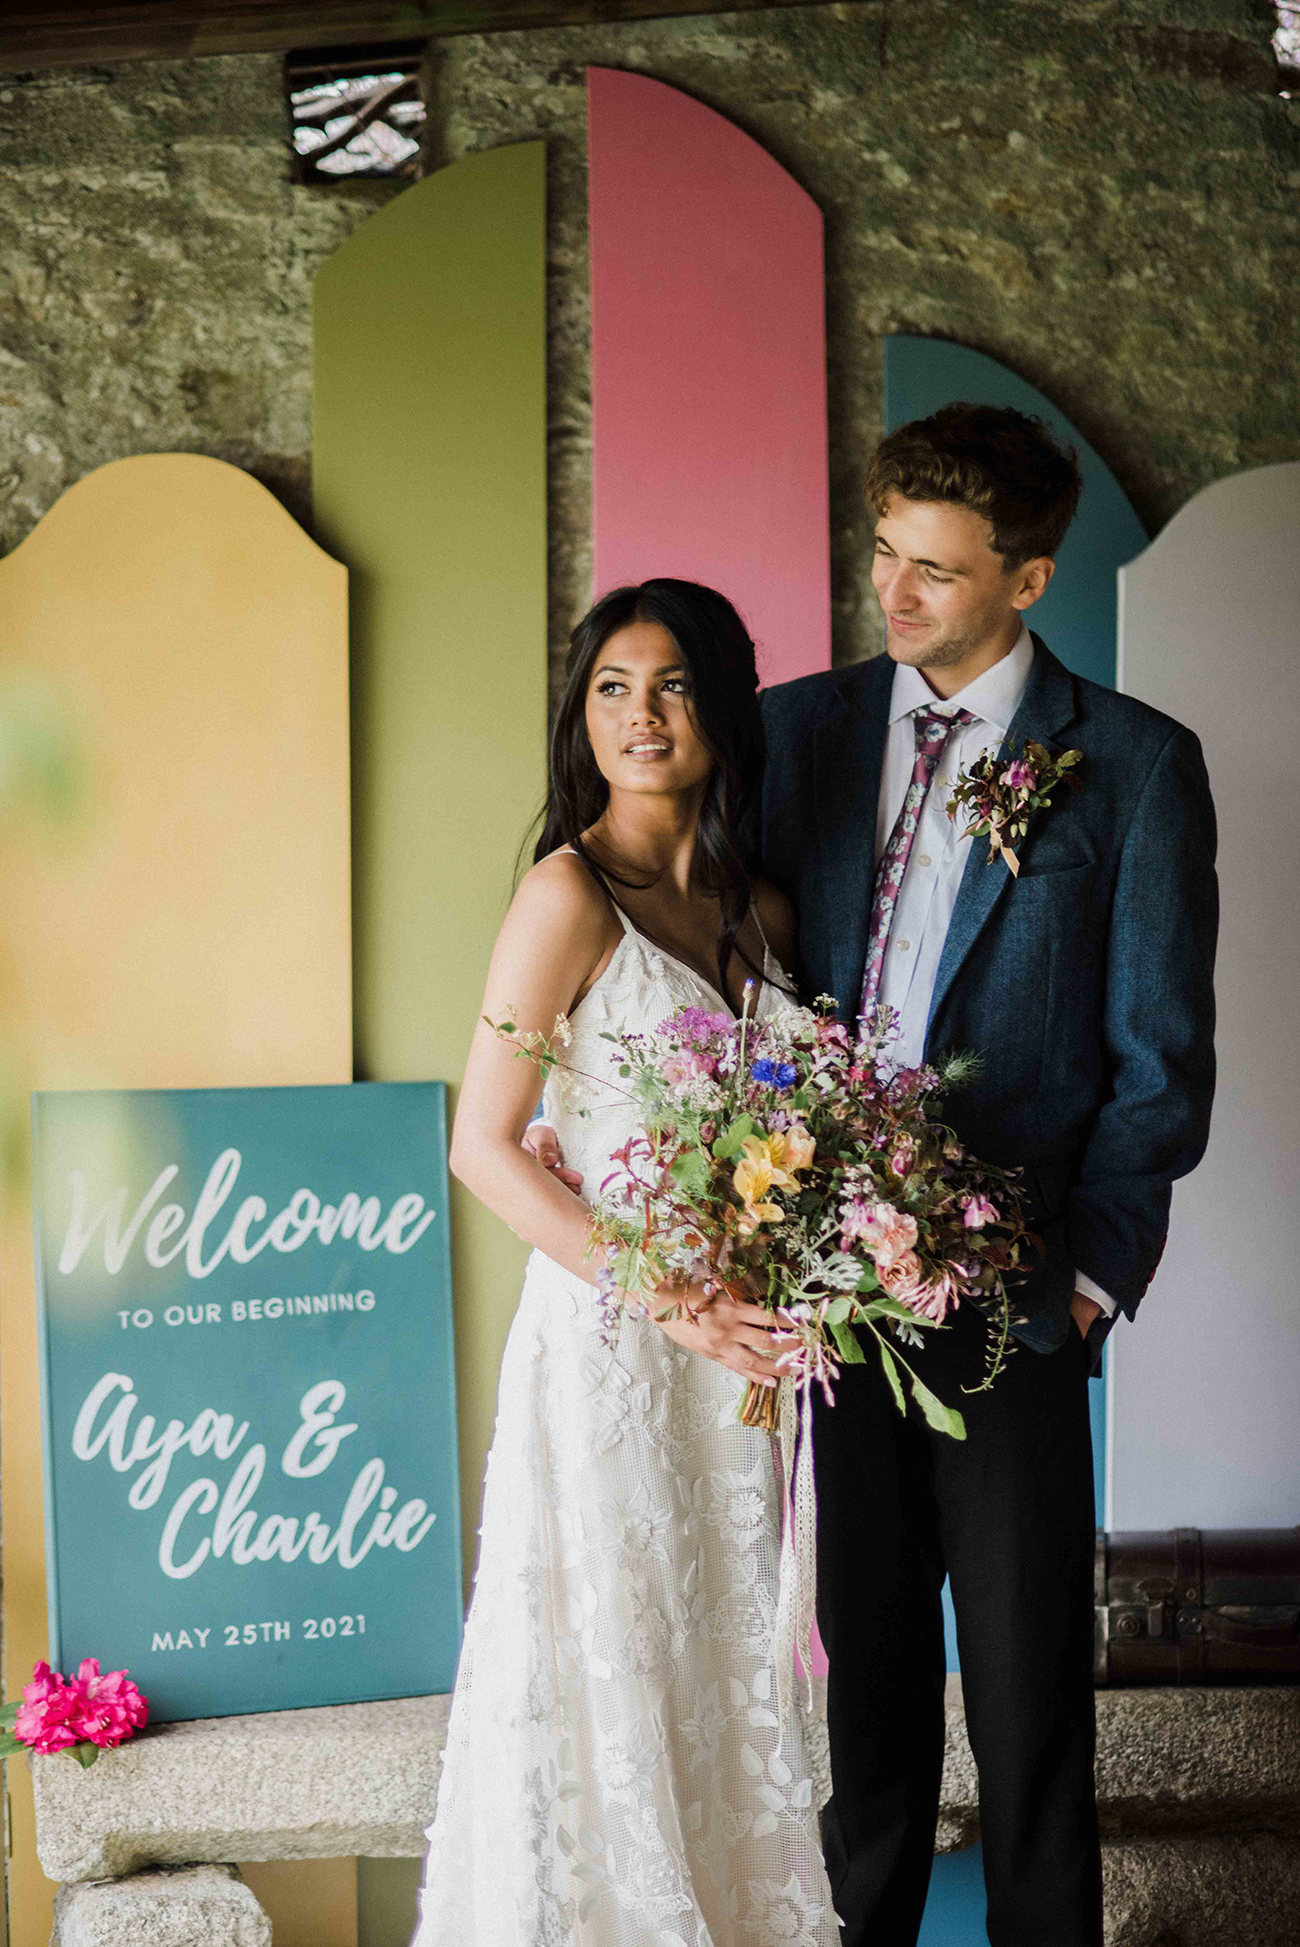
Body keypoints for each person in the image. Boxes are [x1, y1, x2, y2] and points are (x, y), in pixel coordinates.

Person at [758, 403, 1218, 1947]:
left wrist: (1082, 1287)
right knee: (864, 1672)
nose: (894, 596)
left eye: (939, 573)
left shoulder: (1137, 769)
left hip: (1013, 1292)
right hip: (827, 1291)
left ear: (1027, 580)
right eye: (885, 554)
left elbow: (1160, 1058)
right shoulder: (792, 734)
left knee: (1029, 1691)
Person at [416, 579, 838, 1946]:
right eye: (610, 688)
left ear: (721, 705)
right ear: (580, 717)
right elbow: (482, 1145)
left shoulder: (760, 909)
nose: (640, 716)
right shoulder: (566, 894)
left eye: (670, 686)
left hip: (735, 1381)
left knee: (717, 1676)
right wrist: (676, 1298)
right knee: (607, 1663)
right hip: (610, 1351)